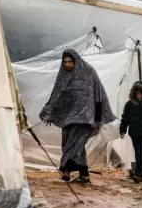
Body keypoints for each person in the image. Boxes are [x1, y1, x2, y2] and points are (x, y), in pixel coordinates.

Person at [40, 49, 116, 184]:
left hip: (85, 118)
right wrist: (50, 113)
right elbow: (56, 95)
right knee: (70, 144)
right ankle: (84, 174)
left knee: (74, 144)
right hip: (68, 117)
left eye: (70, 62)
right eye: (65, 62)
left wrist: (98, 118)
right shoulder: (63, 75)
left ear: (76, 60)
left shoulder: (89, 72)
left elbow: (99, 94)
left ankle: (66, 171)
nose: (68, 65)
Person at [120, 81, 142, 183]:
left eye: (141, 94)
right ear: (134, 94)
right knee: (138, 151)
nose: (139, 96)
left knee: (140, 151)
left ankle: (139, 173)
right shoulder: (129, 105)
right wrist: (122, 129)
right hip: (134, 132)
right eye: (137, 94)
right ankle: (141, 172)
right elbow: (125, 118)